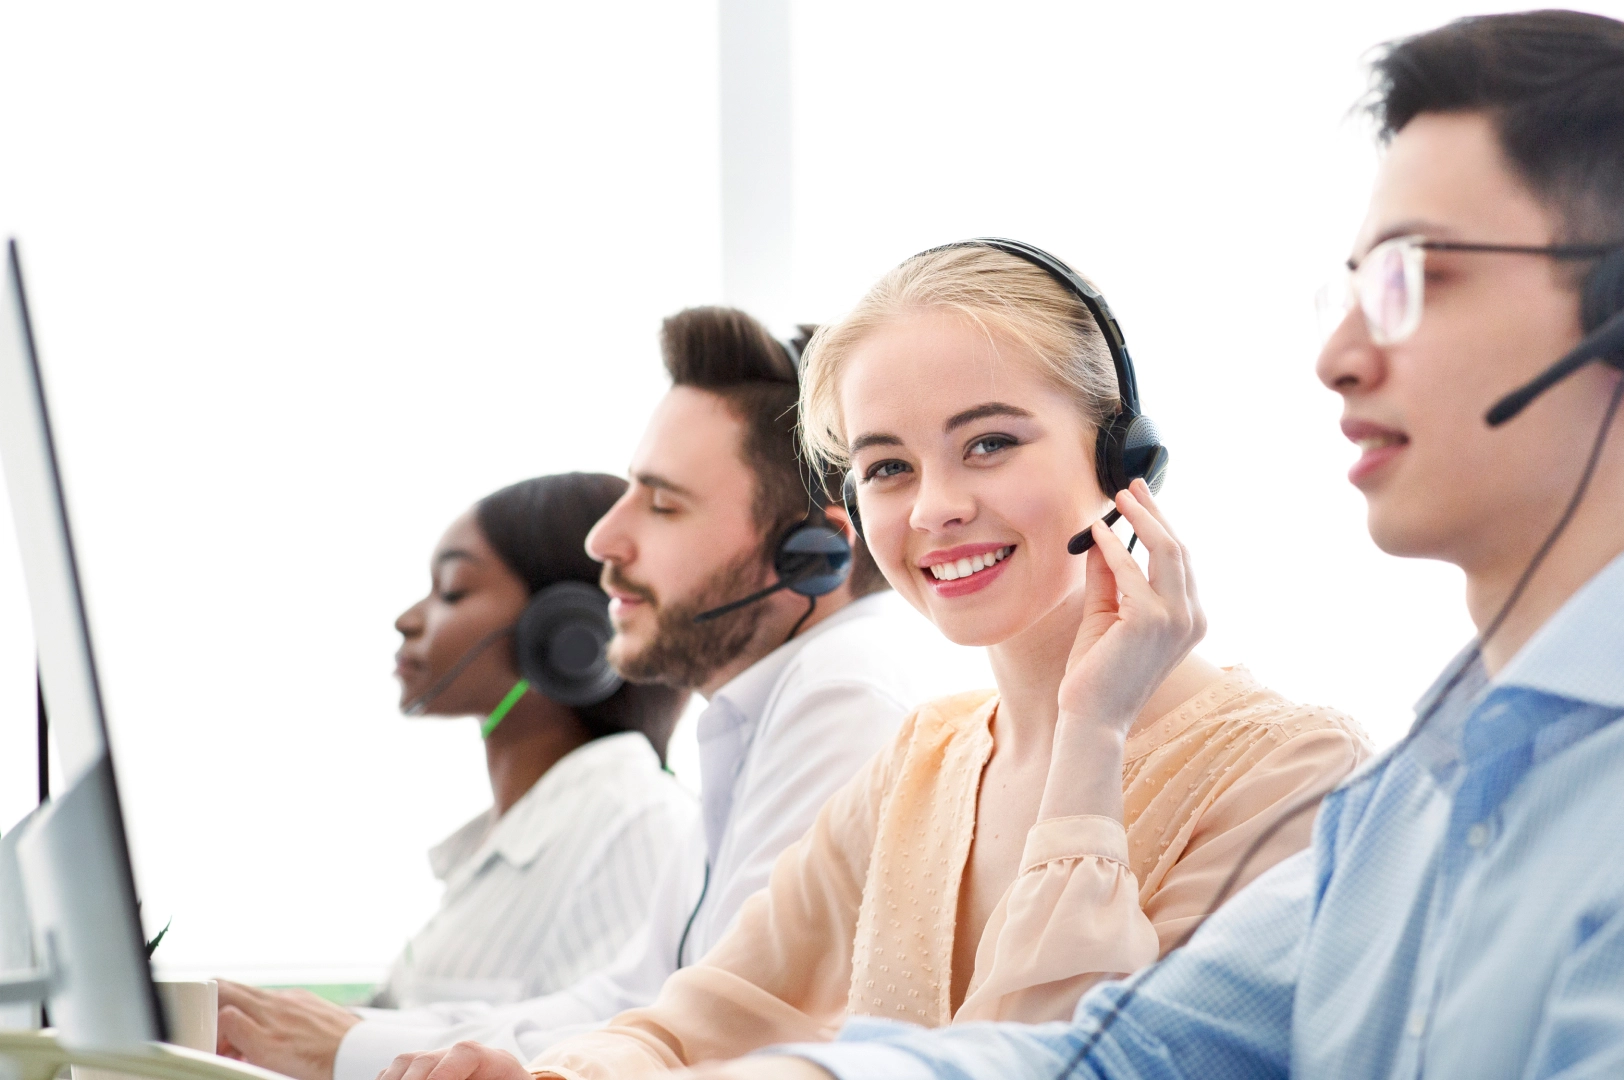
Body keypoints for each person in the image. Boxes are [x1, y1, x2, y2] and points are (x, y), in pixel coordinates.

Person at [688, 12, 1624, 1080]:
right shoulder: (1403, 805)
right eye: (1353, 287)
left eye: (1415, 277)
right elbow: (1116, 1056)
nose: (1336, 357)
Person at [372, 242, 1371, 1080]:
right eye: (888, 466)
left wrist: (1092, 733)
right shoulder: (922, 762)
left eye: (989, 444)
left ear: (1124, 459)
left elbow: (1056, 1061)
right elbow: (693, 1020)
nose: (933, 507)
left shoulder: (1294, 777)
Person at [217, 308, 967, 1080]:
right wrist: (338, 1034)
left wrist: (345, 1049)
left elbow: (742, 1032)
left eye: (663, 505)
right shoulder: (764, 712)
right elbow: (635, 1000)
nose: (603, 539)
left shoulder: (846, 689)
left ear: (811, 557)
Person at [221, 473, 698, 1028]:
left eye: (452, 590)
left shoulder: (636, 823)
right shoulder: (500, 843)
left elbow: (619, 1047)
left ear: (571, 636)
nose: (407, 620)